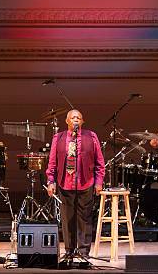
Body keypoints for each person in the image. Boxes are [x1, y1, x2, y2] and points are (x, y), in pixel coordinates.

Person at [46, 109, 105, 259]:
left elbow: (100, 163)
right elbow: (52, 163)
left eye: (79, 117)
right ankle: (69, 250)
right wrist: (51, 181)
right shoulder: (58, 138)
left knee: (84, 218)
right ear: (67, 121)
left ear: (82, 121)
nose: (76, 119)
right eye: (72, 117)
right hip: (64, 183)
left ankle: (84, 252)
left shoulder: (91, 136)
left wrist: (99, 182)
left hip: (85, 182)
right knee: (67, 219)